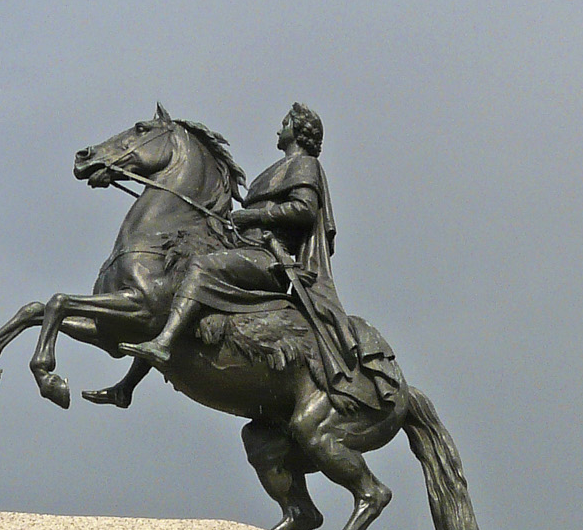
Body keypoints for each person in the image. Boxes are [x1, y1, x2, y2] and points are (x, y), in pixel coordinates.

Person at [105, 104, 390, 416]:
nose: (279, 130)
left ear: (298, 130)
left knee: (201, 267)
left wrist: (252, 215)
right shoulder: (273, 171)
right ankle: (128, 384)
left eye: (285, 123)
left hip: (269, 258)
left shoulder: (305, 164)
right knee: (167, 287)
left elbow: (304, 210)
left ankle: (164, 342)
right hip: (247, 249)